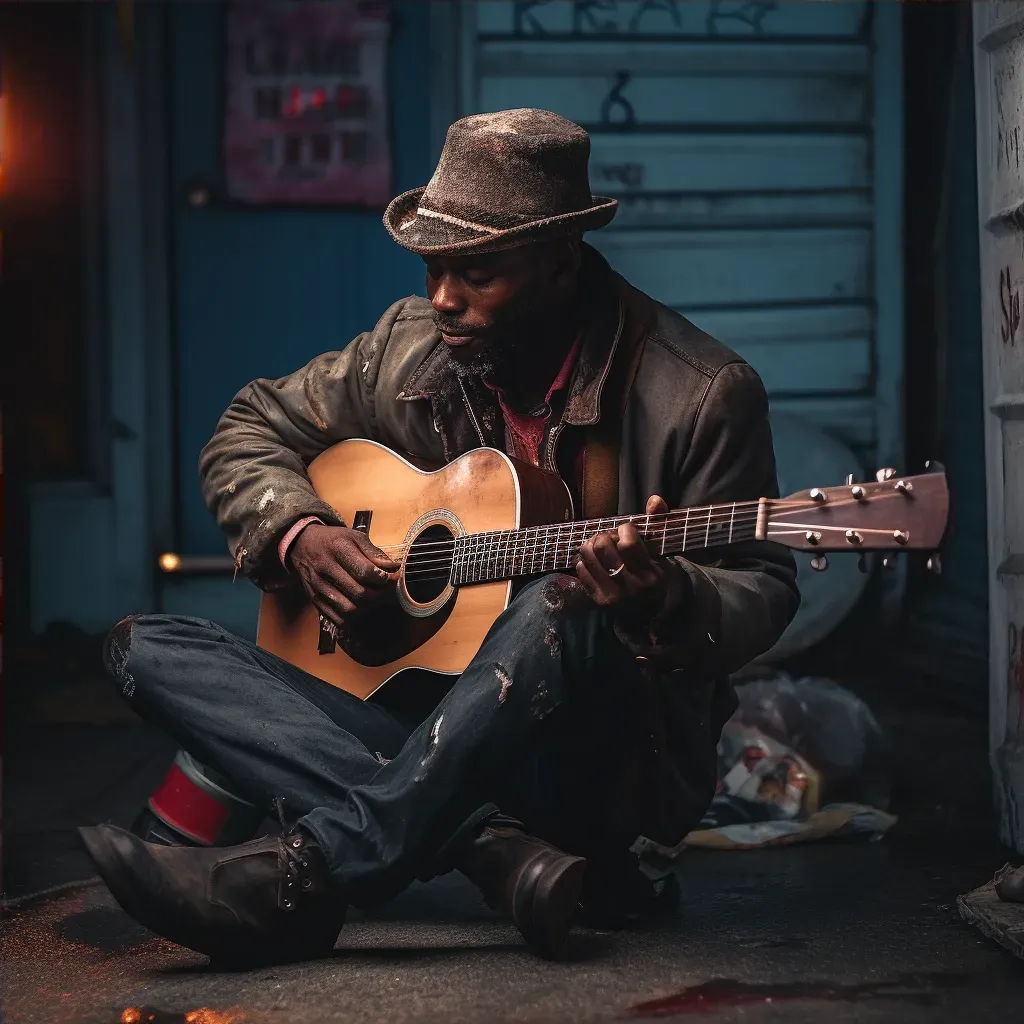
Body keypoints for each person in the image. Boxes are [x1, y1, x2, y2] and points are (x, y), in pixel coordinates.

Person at [80, 108, 799, 966]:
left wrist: (666, 595)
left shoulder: (701, 393)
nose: (442, 300)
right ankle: (493, 853)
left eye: (477, 275)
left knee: (563, 601)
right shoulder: (408, 349)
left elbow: (761, 583)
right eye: (433, 270)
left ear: (560, 262)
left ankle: (304, 880)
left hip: (604, 774)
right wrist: (301, 533)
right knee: (145, 648)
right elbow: (249, 426)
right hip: (421, 732)